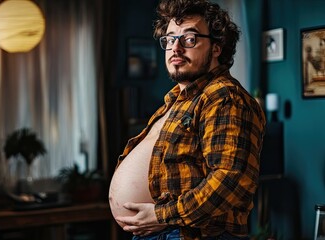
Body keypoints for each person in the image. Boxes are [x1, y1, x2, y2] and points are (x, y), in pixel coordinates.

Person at [108, 0, 266, 239]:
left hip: (190, 234)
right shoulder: (177, 100)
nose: (175, 48)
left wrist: (162, 215)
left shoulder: (224, 96)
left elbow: (229, 180)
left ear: (217, 47)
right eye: (170, 39)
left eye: (189, 39)